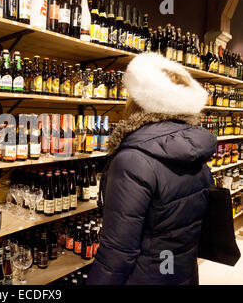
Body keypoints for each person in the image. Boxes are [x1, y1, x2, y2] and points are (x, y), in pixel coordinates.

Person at [87, 52, 216, 285]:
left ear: (139, 102)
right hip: (182, 272)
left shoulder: (132, 160)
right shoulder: (195, 150)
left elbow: (118, 250)